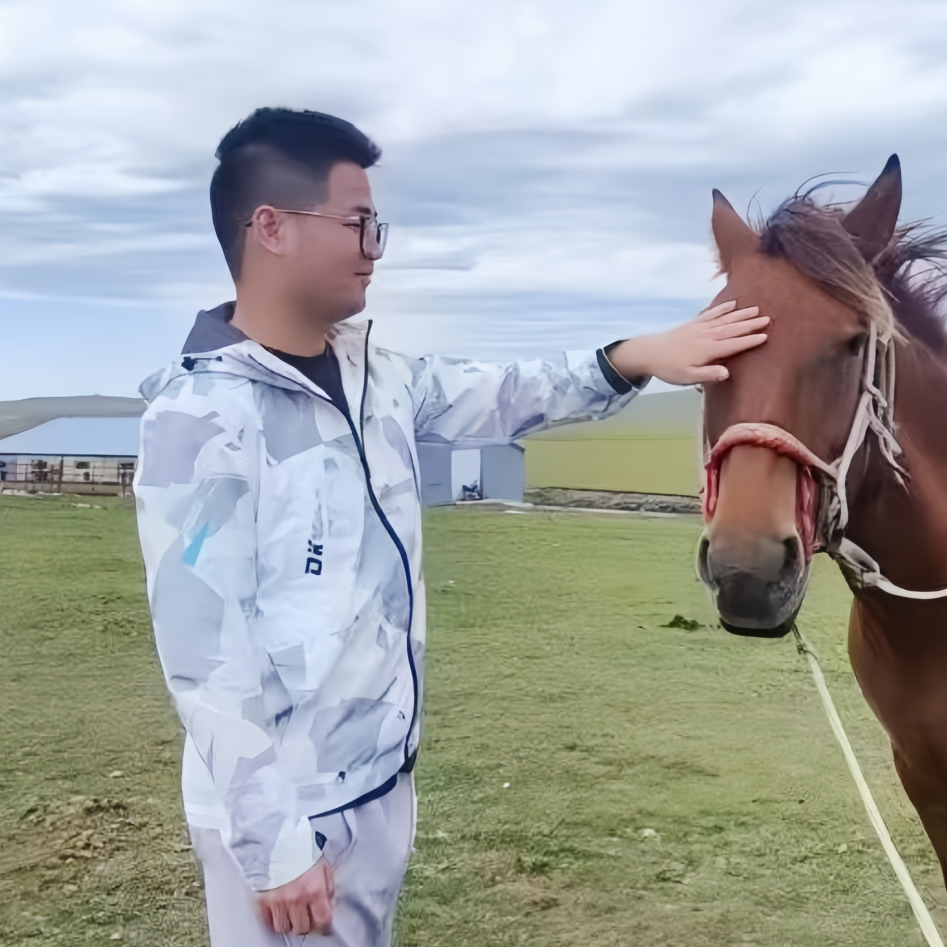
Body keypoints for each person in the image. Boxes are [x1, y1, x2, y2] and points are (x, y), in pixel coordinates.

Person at [133, 107, 767, 946]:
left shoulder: (380, 380)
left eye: (377, 227)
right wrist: (273, 843)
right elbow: (204, 653)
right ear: (272, 228)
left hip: (378, 784)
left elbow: (508, 392)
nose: (374, 248)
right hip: (288, 817)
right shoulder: (200, 420)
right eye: (359, 223)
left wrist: (633, 356)